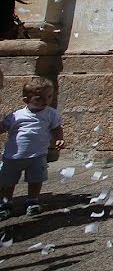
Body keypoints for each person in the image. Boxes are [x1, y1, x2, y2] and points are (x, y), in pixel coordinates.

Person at [0, 77, 64, 219]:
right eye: (39, 98)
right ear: (26, 100)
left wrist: (59, 138)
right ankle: (5, 202)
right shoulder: (16, 116)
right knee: (7, 182)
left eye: (49, 97)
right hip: (13, 156)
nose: (45, 101)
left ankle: (32, 200)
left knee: (36, 179)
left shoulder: (50, 114)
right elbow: (3, 127)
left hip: (38, 155)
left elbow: (56, 128)